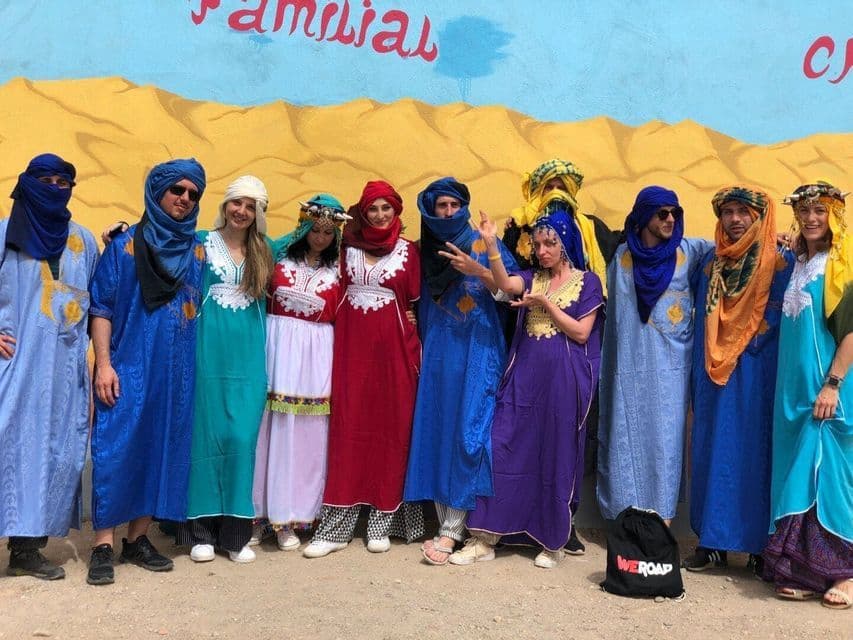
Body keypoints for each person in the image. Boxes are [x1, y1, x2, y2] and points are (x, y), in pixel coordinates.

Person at [448, 209, 604, 569]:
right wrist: (490, 245)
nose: (542, 250)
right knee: (502, 445)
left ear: (565, 244)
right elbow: (504, 285)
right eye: (537, 244)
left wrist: (546, 303)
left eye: (550, 243)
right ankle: (485, 537)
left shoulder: (588, 281)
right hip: (523, 378)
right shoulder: (531, 277)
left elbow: (581, 333)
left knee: (556, 454)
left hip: (563, 383)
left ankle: (552, 542)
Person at [87, 158, 206, 585]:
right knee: (117, 448)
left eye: (193, 194)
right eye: (177, 190)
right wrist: (104, 364)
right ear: (157, 192)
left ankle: (137, 539)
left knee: (160, 449)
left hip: (175, 373)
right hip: (128, 367)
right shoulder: (124, 247)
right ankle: (103, 542)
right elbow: (100, 308)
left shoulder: (196, 251)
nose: (184, 199)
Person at [303, 180, 423, 558]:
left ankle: (381, 523)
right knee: (348, 427)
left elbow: (416, 302)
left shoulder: (408, 252)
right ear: (362, 211)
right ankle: (336, 528)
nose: (380, 215)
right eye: (373, 208)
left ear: (397, 212)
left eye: (387, 208)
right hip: (351, 350)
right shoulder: (346, 247)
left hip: (395, 353)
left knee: (391, 430)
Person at [402, 177, 517, 565]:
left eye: (455, 205)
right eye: (441, 207)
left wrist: (478, 269)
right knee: (439, 430)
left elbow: (510, 292)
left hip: (479, 351)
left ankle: (454, 529)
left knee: (469, 433)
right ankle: (446, 525)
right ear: (430, 211)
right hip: (438, 353)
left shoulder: (484, 243)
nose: (449, 213)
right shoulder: (424, 252)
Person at [0, 153, 98, 580]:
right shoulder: (5, 234)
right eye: (46, 179)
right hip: (14, 365)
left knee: (48, 452)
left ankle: (25, 549)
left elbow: (100, 301)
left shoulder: (84, 240)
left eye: (64, 181)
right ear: (28, 184)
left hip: (63, 370)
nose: (54, 188)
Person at [686, 186, 794, 573]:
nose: (734, 219)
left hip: (757, 373)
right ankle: (710, 541)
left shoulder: (779, 261)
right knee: (710, 450)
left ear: (758, 218)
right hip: (713, 377)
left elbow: (784, 317)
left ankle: (756, 546)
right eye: (728, 212)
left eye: (742, 212)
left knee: (753, 452)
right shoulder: (709, 264)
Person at [596, 186, 711, 525]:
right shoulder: (620, 259)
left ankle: (661, 523)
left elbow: (733, 249)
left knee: (666, 444)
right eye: (662, 213)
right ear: (645, 215)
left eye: (675, 212)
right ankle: (624, 520)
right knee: (625, 438)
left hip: (671, 373)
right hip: (629, 368)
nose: (671, 219)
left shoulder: (691, 253)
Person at [763, 181, 853, 610]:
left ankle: (847, 574)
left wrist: (832, 385)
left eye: (820, 211)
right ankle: (805, 572)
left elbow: (852, 332)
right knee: (801, 476)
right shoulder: (802, 262)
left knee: (831, 478)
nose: (812, 218)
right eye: (804, 211)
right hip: (793, 394)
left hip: (827, 390)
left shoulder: (841, 263)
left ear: (834, 215)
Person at [176, 176, 273, 564]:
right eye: (237, 203)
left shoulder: (266, 251)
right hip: (207, 350)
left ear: (258, 213)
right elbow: (159, 236)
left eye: (251, 207)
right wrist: (118, 232)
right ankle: (199, 530)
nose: (242, 212)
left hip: (248, 355)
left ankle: (235, 534)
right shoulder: (199, 241)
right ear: (226, 204)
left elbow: (312, 241)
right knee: (204, 434)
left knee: (240, 437)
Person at [252, 194, 348, 552]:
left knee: (306, 435)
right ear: (304, 225)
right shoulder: (275, 255)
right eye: (315, 229)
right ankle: (257, 514)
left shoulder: (339, 270)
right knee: (267, 429)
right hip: (275, 348)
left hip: (316, 355)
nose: (320, 237)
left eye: (327, 232)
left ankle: (291, 515)